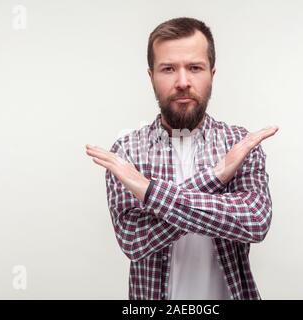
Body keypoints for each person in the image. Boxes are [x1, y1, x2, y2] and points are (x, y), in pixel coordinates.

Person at [85, 17, 278, 300]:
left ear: (212, 73)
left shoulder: (241, 143)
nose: (183, 82)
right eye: (168, 69)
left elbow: (254, 221)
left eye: (195, 68)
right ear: (151, 75)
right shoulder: (126, 151)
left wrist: (149, 191)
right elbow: (134, 241)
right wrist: (216, 177)